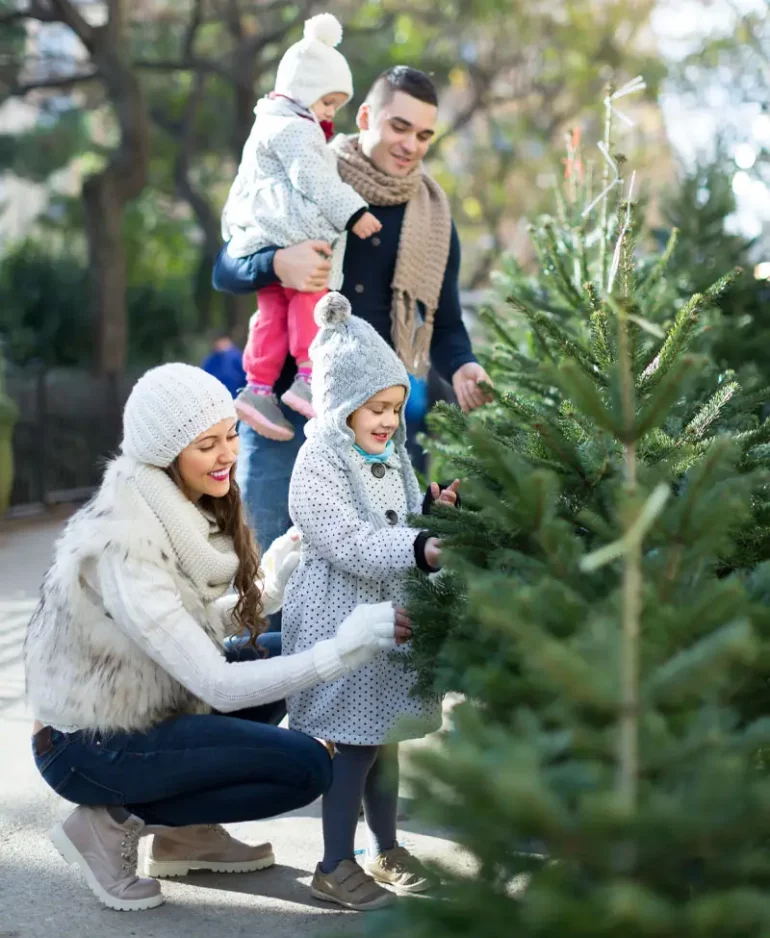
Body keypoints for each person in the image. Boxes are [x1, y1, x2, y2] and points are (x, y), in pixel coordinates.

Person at [23, 362, 413, 912]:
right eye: (207, 444)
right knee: (305, 766)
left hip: (156, 704)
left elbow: (183, 629)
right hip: (89, 742)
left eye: (231, 434)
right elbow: (219, 684)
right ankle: (108, 822)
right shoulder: (126, 543)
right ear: (167, 452)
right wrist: (340, 650)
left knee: (283, 648)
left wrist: (270, 585)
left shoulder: (172, 505)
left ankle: (187, 832)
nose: (229, 453)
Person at [213, 65, 491, 583]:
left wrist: (464, 366)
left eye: (424, 134)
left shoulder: (432, 217)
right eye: (399, 126)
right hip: (283, 410)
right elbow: (224, 268)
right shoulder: (302, 172)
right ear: (365, 116)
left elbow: (446, 322)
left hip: (370, 434)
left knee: (364, 584)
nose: (411, 144)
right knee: (263, 579)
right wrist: (277, 263)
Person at [281, 293, 460, 911]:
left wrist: (432, 518)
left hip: (393, 619)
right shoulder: (317, 462)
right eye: (374, 408)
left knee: (387, 740)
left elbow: (406, 523)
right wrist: (421, 548)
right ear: (341, 407)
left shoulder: (394, 457)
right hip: (342, 620)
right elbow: (351, 542)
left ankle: (385, 846)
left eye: (394, 408)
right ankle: (333, 862)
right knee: (355, 743)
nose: (387, 420)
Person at [220, 12, 382, 441]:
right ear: (305, 90)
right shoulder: (296, 130)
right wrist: (354, 213)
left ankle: (258, 389)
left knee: (270, 313)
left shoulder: (268, 123)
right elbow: (316, 180)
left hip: (263, 232)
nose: (330, 112)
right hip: (294, 231)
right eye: (328, 102)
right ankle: (308, 379)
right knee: (311, 298)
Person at [200, 331, 246, 398]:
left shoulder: (237, 357)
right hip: (216, 398)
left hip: (235, 397)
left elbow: (246, 379)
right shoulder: (211, 359)